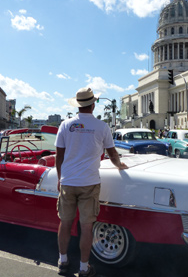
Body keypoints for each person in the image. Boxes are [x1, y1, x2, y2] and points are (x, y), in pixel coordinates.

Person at [55, 87, 128, 277]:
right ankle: (83, 267)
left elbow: (59, 156)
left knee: (65, 222)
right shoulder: (102, 127)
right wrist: (119, 165)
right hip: (89, 183)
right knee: (86, 226)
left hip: (68, 182)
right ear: (93, 104)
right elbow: (112, 154)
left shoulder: (65, 125)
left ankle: (63, 261)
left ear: (78, 105)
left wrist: (60, 178)